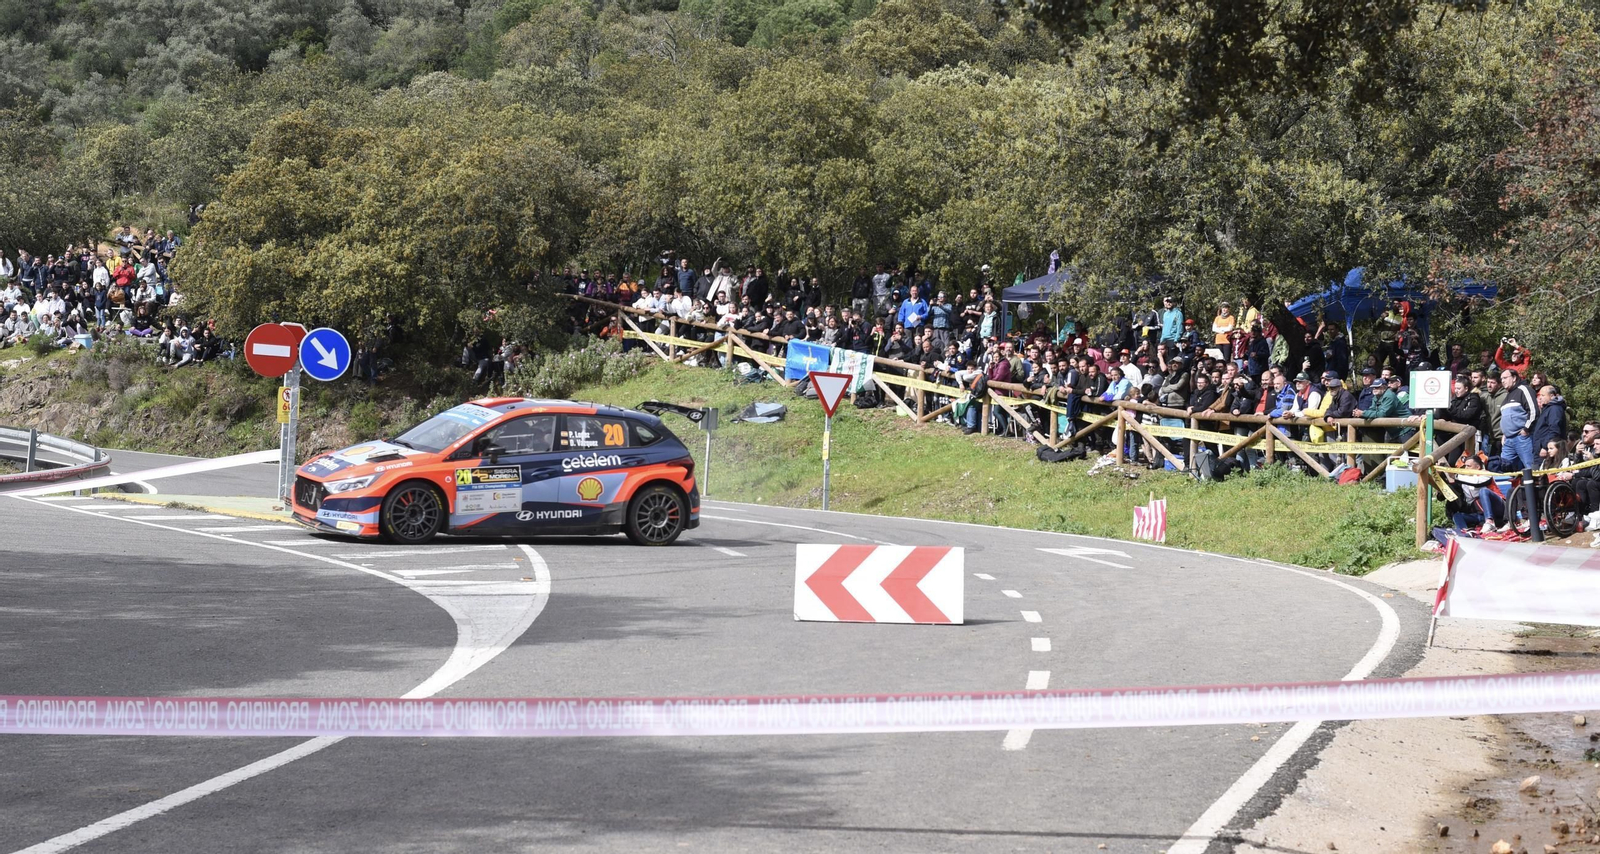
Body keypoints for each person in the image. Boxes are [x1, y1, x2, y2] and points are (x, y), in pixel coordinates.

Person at [1496, 369, 1540, 473]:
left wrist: (1526, 429)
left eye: (1505, 378)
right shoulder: (1507, 396)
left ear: (1514, 378)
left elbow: (1533, 411)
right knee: (1503, 468)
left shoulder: (1523, 390)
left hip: (1522, 438)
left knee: (1530, 467)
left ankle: (1536, 488)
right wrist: (1504, 434)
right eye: (1501, 379)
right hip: (1508, 440)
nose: (1502, 381)